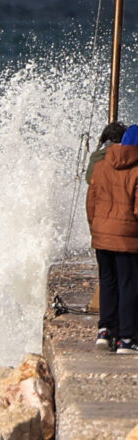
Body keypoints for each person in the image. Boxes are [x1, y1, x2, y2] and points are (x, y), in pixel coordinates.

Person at [87, 123, 138, 353]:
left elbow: (91, 202)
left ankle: (105, 331)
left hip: (102, 235)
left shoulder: (100, 166)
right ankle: (126, 339)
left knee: (108, 282)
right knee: (129, 285)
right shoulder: (137, 170)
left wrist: (96, 228)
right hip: (127, 238)